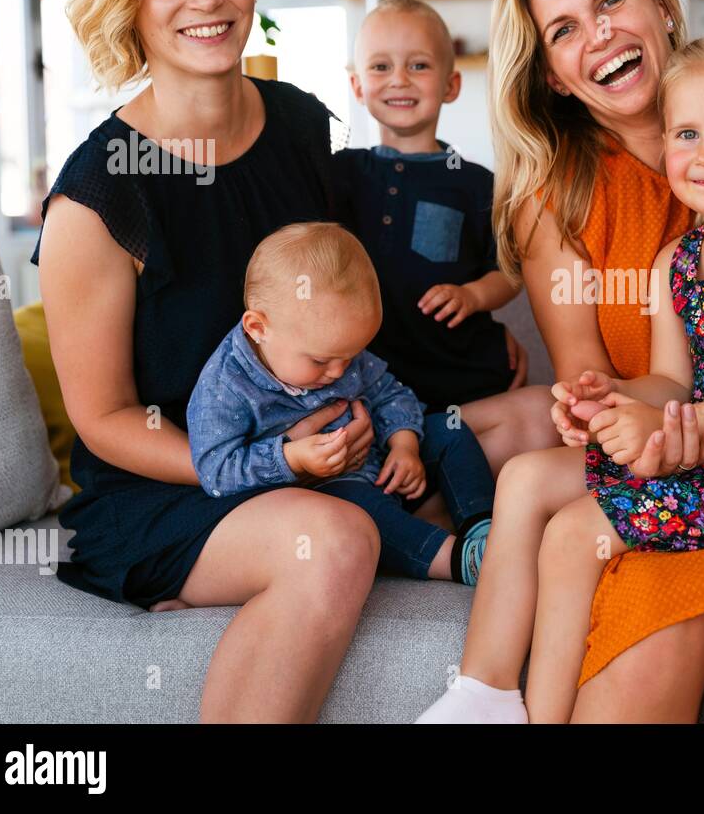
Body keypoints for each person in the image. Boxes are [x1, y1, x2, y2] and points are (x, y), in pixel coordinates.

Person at [418, 34, 704, 723]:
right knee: (527, 483)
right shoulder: (676, 260)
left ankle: (528, 714)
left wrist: (682, 425)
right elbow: (669, 379)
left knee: (578, 534)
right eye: (687, 133)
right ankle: (490, 693)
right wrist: (613, 398)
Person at [35, 0, 388, 721]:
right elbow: (106, 419)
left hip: (307, 447)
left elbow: (339, 297)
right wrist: (265, 466)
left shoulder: (302, 126)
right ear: (131, 1)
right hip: (160, 490)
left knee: (513, 437)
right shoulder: (97, 198)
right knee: (334, 537)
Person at [186, 222, 494, 584]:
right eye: (321, 361)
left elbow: (389, 392)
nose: (338, 371)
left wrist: (404, 443)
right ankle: (459, 560)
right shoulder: (226, 385)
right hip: (324, 491)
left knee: (448, 428)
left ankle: (483, 529)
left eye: (350, 357)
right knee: (354, 505)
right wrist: (292, 458)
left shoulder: (335, 350)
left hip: (381, 463)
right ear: (258, 328)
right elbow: (215, 471)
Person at [336, 0, 559, 474]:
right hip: (380, 381)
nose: (399, 79)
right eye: (381, 66)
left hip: (461, 374)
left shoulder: (476, 183)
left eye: (419, 65)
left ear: (451, 84)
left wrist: (475, 295)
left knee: (496, 445)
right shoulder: (342, 174)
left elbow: (511, 272)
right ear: (356, 84)